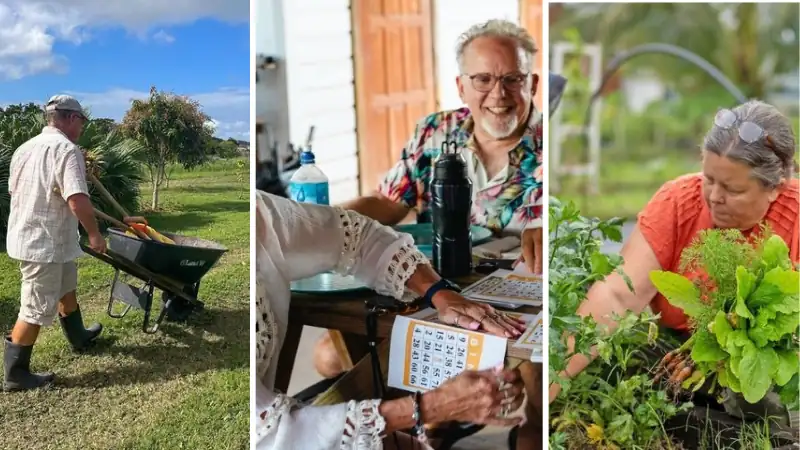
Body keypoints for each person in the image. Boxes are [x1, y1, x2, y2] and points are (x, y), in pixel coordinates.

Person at [549, 100, 799, 421]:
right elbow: (618, 294)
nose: (714, 197)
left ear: (775, 188)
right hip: (669, 355)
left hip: (757, 372)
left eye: (732, 189)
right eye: (709, 179)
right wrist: (555, 380)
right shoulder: (679, 201)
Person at [254, 190, 528, 449]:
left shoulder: (262, 215)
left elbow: (359, 236)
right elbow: (272, 437)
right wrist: (432, 406)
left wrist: (437, 291)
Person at [3, 95, 107, 392]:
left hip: (43, 236)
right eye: (82, 121)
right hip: (42, 243)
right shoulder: (66, 150)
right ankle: (16, 374)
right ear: (72, 118)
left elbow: (16, 192)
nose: (83, 127)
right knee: (34, 307)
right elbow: (76, 198)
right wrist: (95, 234)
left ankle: (79, 336)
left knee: (66, 285)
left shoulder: (25, 148)